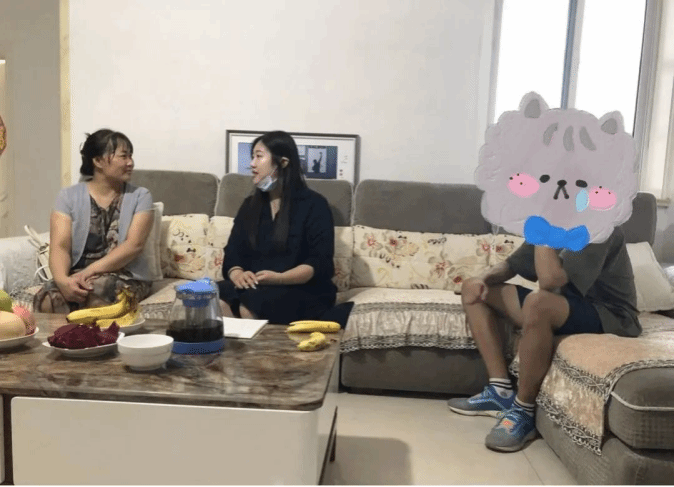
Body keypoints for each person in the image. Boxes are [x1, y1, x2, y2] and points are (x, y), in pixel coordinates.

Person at [447, 228, 640, 452]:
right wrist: (482, 278)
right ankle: (500, 392)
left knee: (538, 303)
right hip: (564, 305)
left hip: (610, 315)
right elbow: (512, 265)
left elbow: (551, 281)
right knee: (473, 290)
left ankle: (523, 411)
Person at [217, 130, 337, 324]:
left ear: (283, 162)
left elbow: (320, 261)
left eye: (259, 156)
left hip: (301, 287)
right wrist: (237, 273)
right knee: (209, 298)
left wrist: (280, 278)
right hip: (256, 285)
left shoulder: (315, 205)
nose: (252, 164)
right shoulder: (249, 206)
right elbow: (233, 250)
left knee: (250, 306)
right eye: (252, 157)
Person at [34, 129, 155, 313]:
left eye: (130, 156)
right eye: (123, 156)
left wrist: (88, 272)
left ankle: (94, 332)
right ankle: (63, 333)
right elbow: (60, 246)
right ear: (98, 161)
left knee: (97, 290)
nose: (130, 162)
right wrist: (63, 281)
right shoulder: (68, 197)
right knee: (47, 298)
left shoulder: (140, 196)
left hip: (125, 276)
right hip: (78, 275)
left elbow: (134, 245)